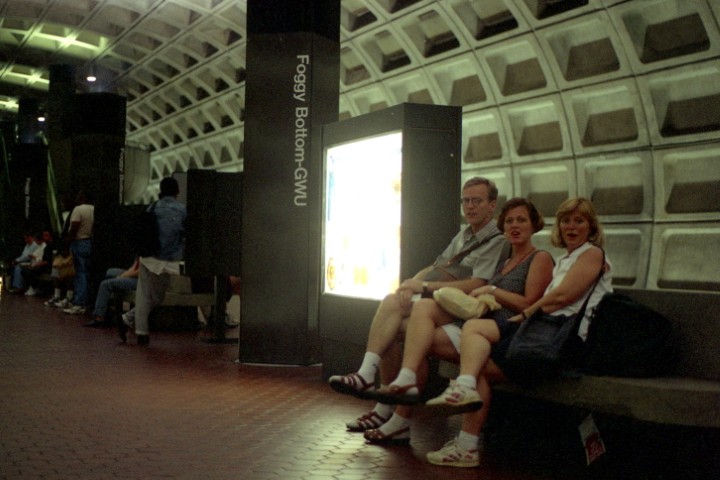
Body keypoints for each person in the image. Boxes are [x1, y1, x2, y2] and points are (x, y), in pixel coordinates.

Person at [424, 197, 613, 467]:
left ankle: (466, 443)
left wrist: (525, 314)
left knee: (478, 367)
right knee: (475, 346)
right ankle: (464, 401)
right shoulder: (566, 259)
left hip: (563, 344)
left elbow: (562, 297)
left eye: (579, 221)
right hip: (545, 334)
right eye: (566, 221)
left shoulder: (592, 253)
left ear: (591, 226)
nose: (571, 226)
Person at [362, 198, 554, 450]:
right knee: (411, 336)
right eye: (509, 221)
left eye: (521, 220)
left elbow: (531, 304)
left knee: (420, 341)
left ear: (534, 224)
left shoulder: (540, 258)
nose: (514, 226)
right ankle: (397, 411)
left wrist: (492, 290)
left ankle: (400, 419)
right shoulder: (505, 262)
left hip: (501, 335)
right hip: (477, 326)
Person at [328, 177, 508, 431]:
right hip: (441, 300)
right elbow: (437, 266)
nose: (470, 206)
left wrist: (422, 287)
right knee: (391, 313)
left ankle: (389, 406)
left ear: (492, 205)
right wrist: (408, 284)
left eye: (477, 201)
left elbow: (477, 283)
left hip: (462, 309)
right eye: (466, 201)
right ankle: (377, 394)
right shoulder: (464, 234)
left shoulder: (498, 241)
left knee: (406, 326)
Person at [119, 176, 186, 345]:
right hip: (171, 260)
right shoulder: (182, 210)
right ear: (177, 191)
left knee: (145, 295)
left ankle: (133, 325)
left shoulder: (153, 208)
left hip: (150, 257)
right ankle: (138, 329)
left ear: (161, 190)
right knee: (157, 297)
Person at [63, 190, 94, 315]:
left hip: (79, 242)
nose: (77, 196)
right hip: (90, 242)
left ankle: (79, 303)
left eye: (79, 194)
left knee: (80, 274)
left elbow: (74, 226)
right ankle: (85, 301)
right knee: (87, 273)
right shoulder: (94, 209)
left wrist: (68, 243)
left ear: (83, 197)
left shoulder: (78, 209)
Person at [84, 258, 139, 327]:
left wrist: (123, 276)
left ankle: (99, 317)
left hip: (141, 280)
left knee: (105, 284)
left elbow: (139, 272)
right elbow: (136, 266)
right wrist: (126, 273)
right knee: (109, 272)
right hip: (136, 274)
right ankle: (106, 307)